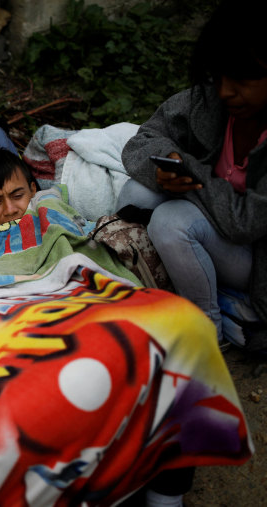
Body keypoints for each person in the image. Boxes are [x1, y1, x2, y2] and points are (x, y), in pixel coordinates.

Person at [118, 0, 267, 351]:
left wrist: (191, 177)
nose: (227, 91)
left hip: (257, 260)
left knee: (170, 222)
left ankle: (207, 334)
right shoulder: (209, 101)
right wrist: (167, 165)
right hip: (219, 224)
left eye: (243, 79)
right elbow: (141, 140)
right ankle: (190, 280)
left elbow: (246, 223)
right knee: (133, 195)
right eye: (219, 76)